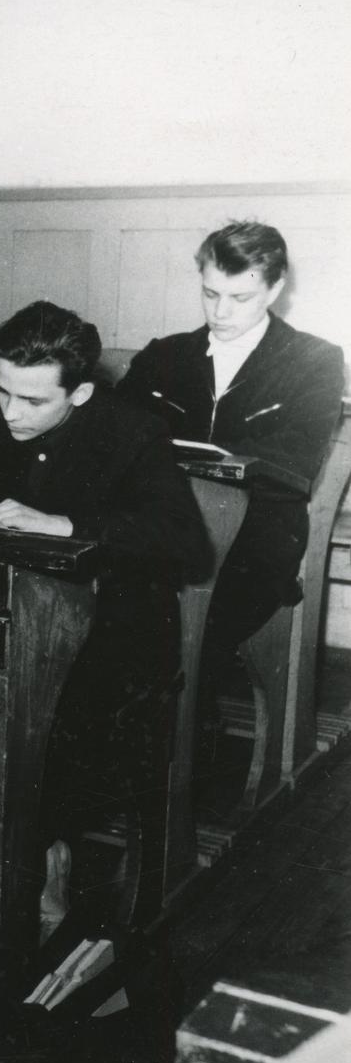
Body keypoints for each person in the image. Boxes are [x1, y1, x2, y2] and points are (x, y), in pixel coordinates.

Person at [0, 300, 211, 936]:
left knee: (47, 731)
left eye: (32, 401)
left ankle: (38, 861)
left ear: (82, 392)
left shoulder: (134, 432)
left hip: (114, 636)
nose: (10, 412)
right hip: (13, 617)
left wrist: (67, 525)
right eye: (2, 390)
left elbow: (187, 544)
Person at [116, 221, 346, 730]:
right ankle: (165, 724)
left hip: (259, 531)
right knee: (127, 587)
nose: (220, 312)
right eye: (210, 293)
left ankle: (170, 726)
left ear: (275, 289)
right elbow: (115, 437)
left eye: (240, 298)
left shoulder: (315, 361)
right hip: (167, 519)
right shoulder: (165, 355)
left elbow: (295, 460)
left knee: (182, 615)